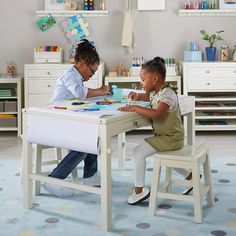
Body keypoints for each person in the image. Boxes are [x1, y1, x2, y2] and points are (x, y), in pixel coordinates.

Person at [118, 56, 192, 205]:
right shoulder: (157, 92)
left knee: (138, 153)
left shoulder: (168, 94)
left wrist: (135, 107)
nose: (141, 82)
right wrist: (137, 96)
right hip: (167, 136)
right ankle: (192, 178)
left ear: (155, 79)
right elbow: (148, 96)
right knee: (166, 157)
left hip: (170, 137)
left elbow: (158, 114)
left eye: (143, 79)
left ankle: (139, 191)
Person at [44, 39, 110, 198]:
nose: (91, 76)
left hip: (66, 119)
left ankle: (90, 176)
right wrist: (100, 90)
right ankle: (54, 179)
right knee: (83, 146)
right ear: (81, 63)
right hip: (56, 121)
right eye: (91, 72)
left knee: (94, 136)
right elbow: (81, 94)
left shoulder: (77, 77)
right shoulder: (70, 76)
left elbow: (80, 96)